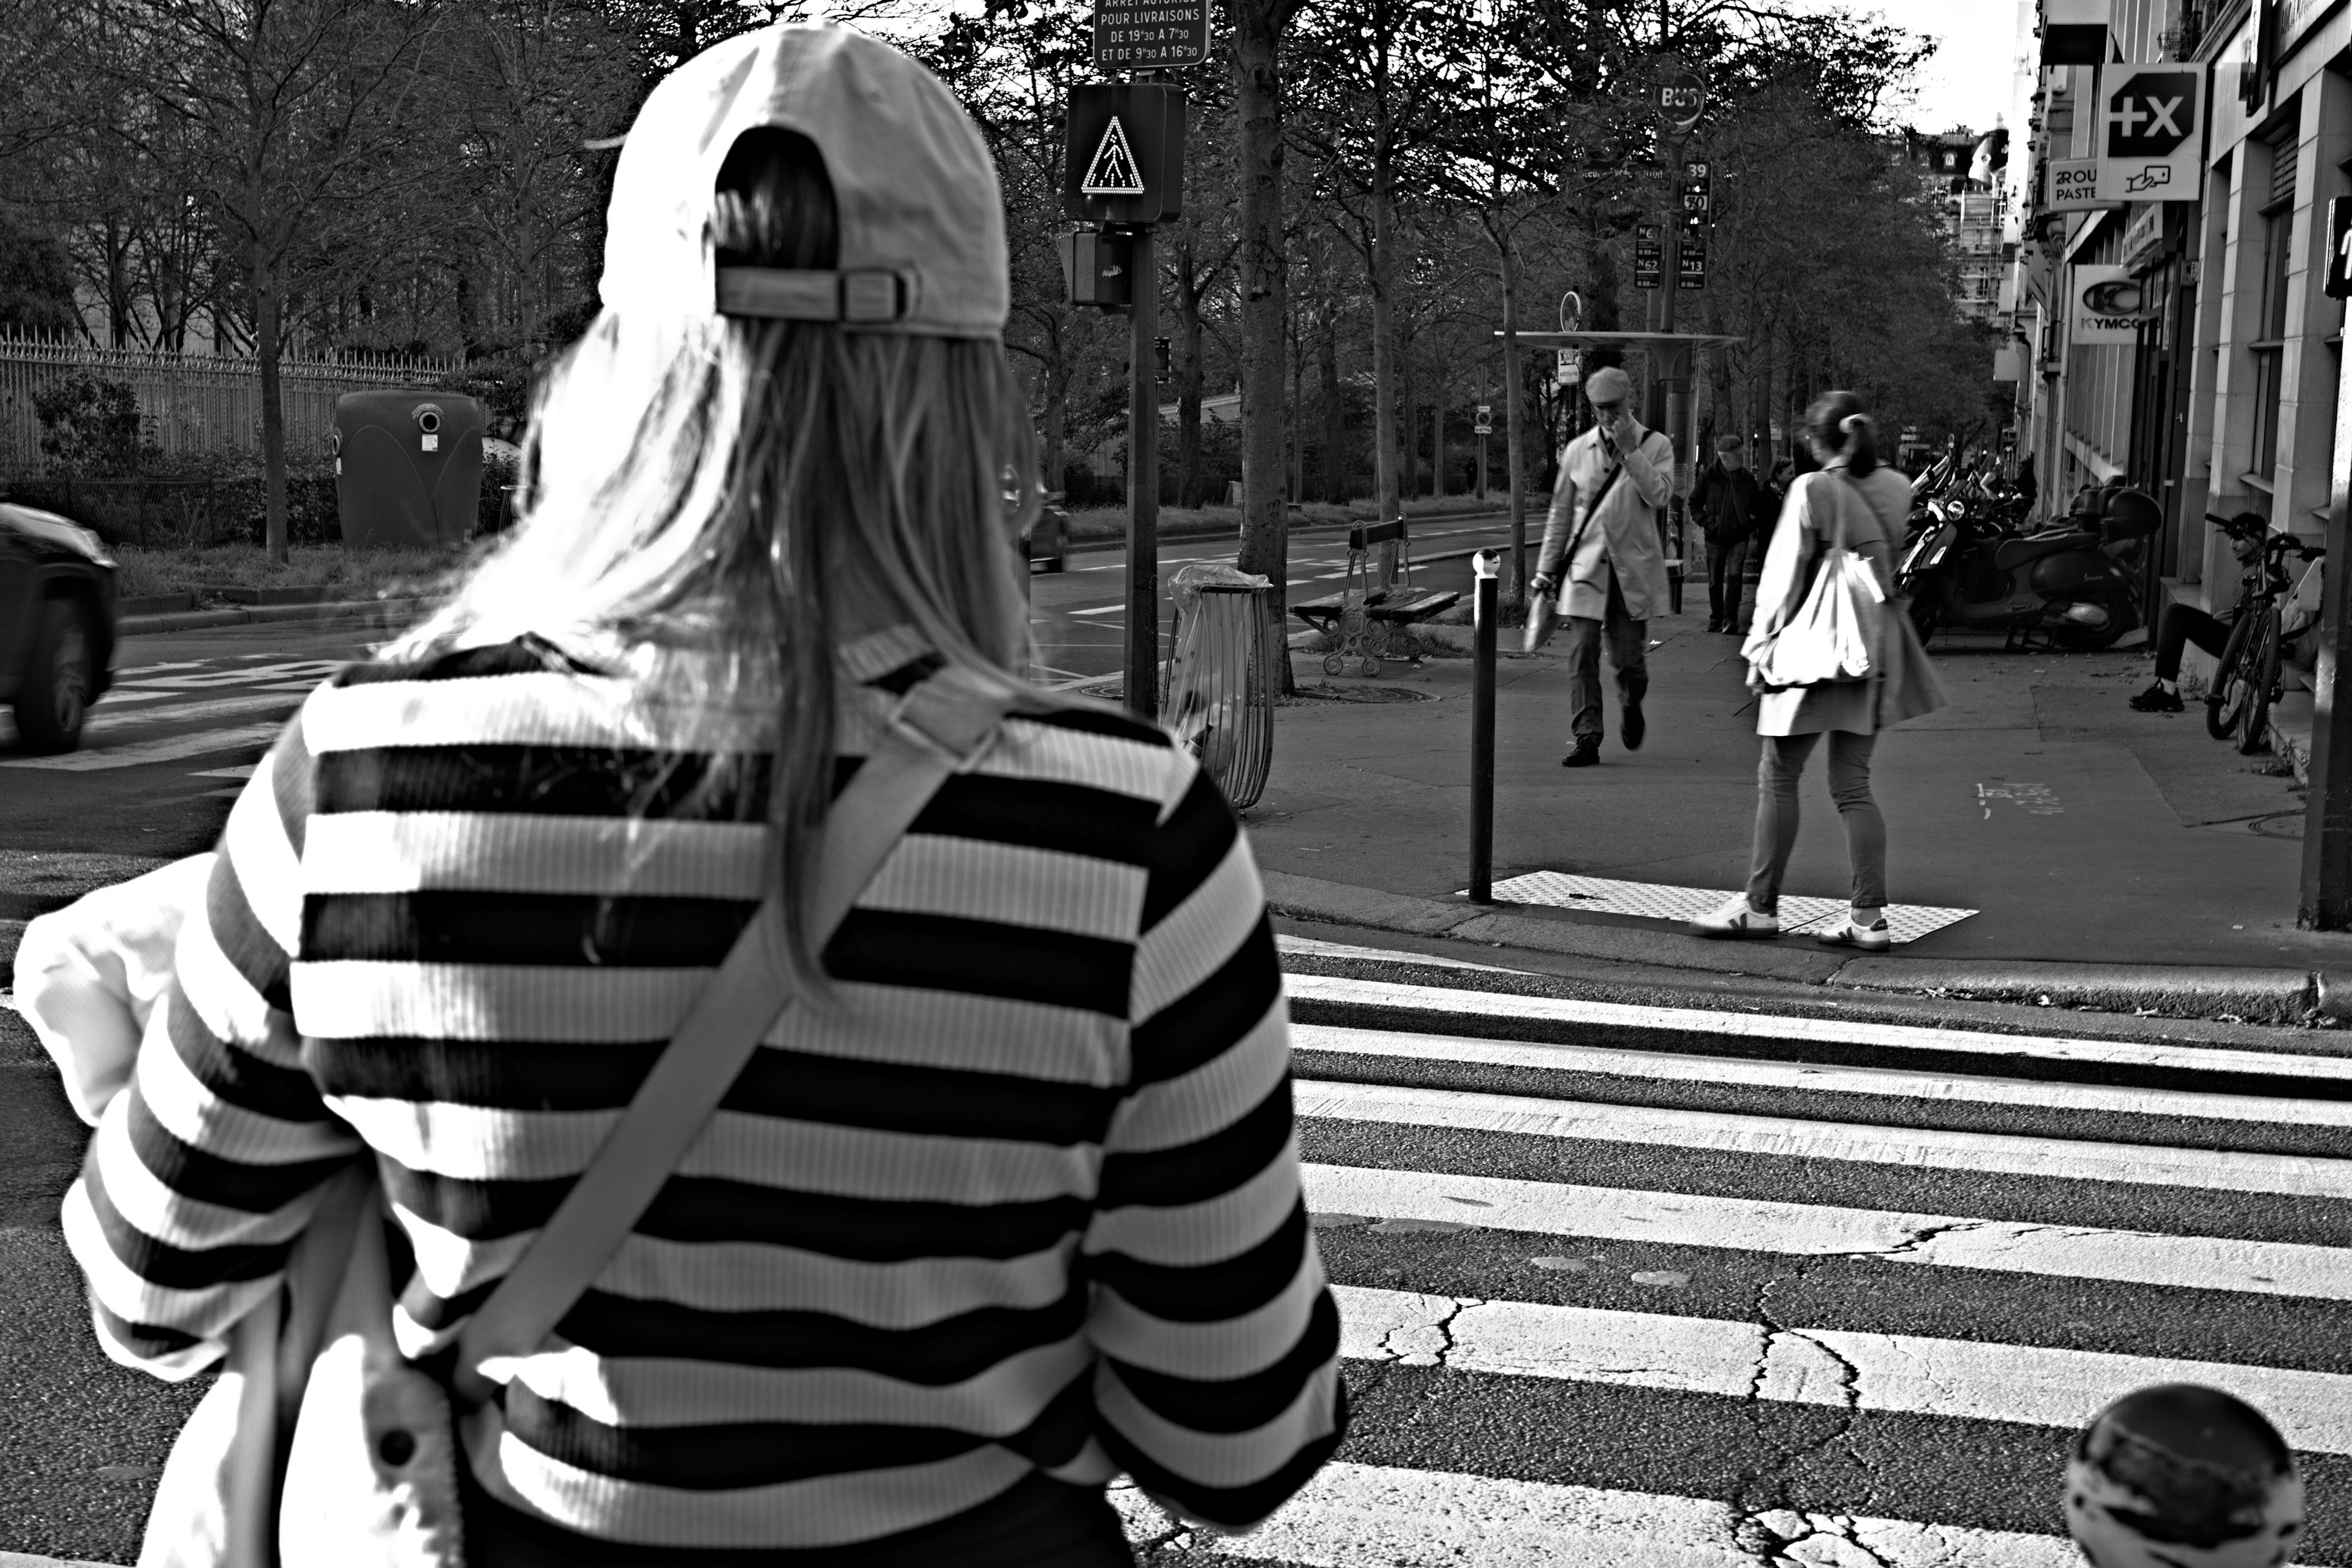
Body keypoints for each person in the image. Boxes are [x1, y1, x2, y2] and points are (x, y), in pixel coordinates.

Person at [57, 27, 1343, 1566]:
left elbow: (150, 1289)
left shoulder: (365, 774)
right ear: (959, 398)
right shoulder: (1129, 841)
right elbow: (1238, 1435)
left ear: (615, 369)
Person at [1692, 390, 1929, 953]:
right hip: (1871, 649)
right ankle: (1868, 918)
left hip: (1814, 654)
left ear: (1816, 442)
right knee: (1852, 786)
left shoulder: (1811, 488)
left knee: (1779, 777)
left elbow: (1779, 583)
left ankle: (1759, 906)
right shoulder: (1895, 487)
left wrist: (1758, 650)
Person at [1531, 364, 1674, 767]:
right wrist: (1546, 570)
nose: (1607, 416)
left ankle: (1631, 703)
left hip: (1633, 570)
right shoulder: (1577, 451)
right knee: (1582, 651)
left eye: (1613, 407)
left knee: (1628, 660)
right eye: (1599, 409)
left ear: (1630, 402)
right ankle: (1587, 736)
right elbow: (1561, 515)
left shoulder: (1656, 445)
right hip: (1585, 570)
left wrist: (1631, 453)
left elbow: (1660, 496)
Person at [2130, 513, 2270, 712]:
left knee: (2176, 615)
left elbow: (2257, 613)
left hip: (2243, 645)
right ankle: (2165, 687)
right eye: (2231, 538)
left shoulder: (2264, 567)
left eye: (2238, 538)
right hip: (2235, 636)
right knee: (2175, 614)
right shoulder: (2253, 564)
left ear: (2257, 536)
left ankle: (2167, 691)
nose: (2232, 545)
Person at [1689, 432, 1765, 635]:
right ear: (1724, 457)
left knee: (1734, 577)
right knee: (1715, 580)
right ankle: (1716, 619)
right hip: (1715, 537)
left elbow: (1758, 506)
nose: (1742, 458)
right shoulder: (1708, 478)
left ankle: (1730, 620)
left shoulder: (1746, 478)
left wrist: (1750, 523)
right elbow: (1694, 503)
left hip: (1739, 536)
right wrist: (1708, 523)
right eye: (1737, 455)